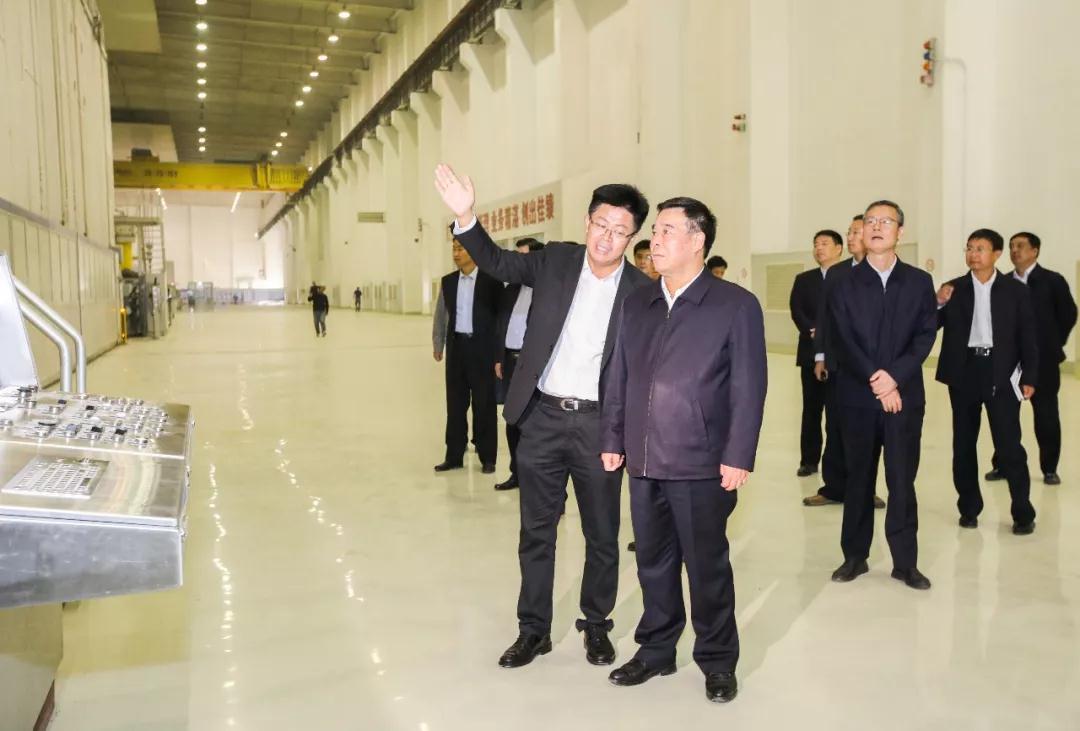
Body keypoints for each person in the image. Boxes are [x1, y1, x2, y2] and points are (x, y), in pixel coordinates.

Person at [434, 163, 651, 670]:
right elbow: (496, 262)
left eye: (620, 231)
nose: (607, 237)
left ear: (632, 237)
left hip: (600, 427)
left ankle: (595, 624)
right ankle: (533, 630)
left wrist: (625, 434)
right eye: (601, 224)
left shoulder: (640, 292)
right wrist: (466, 217)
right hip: (543, 418)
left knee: (602, 535)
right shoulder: (555, 261)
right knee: (536, 532)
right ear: (587, 222)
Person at [601, 197, 766, 704]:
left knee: (706, 566)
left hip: (701, 461)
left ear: (698, 241)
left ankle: (717, 659)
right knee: (652, 562)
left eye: (667, 231)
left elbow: (748, 386)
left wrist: (738, 454)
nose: (655, 240)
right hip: (644, 459)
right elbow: (619, 375)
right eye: (654, 231)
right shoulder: (638, 304)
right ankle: (656, 650)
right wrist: (612, 437)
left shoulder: (734, 305)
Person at [826, 200, 936, 591]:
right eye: (869, 221)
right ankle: (855, 556)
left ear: (899, 232)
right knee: (858, 478)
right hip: (857, 397)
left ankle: (906, 563)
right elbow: (842, 337)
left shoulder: (919, 281)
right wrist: (878, 380)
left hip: (904, 398)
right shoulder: (842, 280)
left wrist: (894, 378)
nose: (875, 227)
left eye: (885, 221)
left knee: (902, 480)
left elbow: (925, 335)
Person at [935, 229, 1039, 534]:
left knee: (1009, 445)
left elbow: (1028, 337)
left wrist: (1030, 376)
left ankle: (1022, 511)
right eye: (969, 248)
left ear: (996, 254)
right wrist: (938, 302)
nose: (973, 254)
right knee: (963, 444)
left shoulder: (1015, 290)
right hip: (964, 371)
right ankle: (968, 508)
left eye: (980, 249)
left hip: (1001, 371)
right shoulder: (953, 288)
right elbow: (929, 324)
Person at [806, 215, 885, 510]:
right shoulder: (837, 273)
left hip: (872, 369)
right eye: (849, 232)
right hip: (839, 367)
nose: (851, 237)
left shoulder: (883, 273)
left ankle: (864, 490)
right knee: (836, 427)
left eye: (855, 232)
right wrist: (820, 356)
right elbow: (824, 317)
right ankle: (833, 487)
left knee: (869, 433)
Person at [985, 232, 1077, 485]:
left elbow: (1069, 314)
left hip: (1044, 362)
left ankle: (1049, 468)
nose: (1015, 251)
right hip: (1008, 362)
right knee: (1004, 416)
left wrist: (1052, 343)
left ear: (1035, 251)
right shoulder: (1001, 282)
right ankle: (1003, 464)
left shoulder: (1052, 281)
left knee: (1046, 415)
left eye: (1021, 246)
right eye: (1012, 246)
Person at [432, 239, 502, 474]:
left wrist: (499, 354)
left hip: (483, 350)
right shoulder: (449, 282)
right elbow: (441, 314)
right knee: (455, 405)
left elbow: (500, 319)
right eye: (454, 248)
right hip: (457, 349)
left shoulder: (491, 281)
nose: (456, 253)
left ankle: (488, 457)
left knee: (484, 404)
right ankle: (454, 455)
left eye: (460, 248)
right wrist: (438, 343)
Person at [789, 230, 845, 478]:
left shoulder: (849, 276)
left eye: (824, 243)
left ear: (839, 248)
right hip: (810, 352)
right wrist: (812, 330)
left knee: (837, 412)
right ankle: (809, 460)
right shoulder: (804, 279)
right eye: (815, 244)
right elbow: (796, 309)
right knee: (811, 409)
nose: (818, 248)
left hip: (840, 357)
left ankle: (836, 462)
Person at [494, 238, 545, 491]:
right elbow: (501, 324)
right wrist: (498, 357)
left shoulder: (547, 291)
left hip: (533, 366)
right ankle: (516, 473)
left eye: (524, 257)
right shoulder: (511, 289)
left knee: (533, 424)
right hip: (510, 361)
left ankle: (536, 476)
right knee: (511, 420)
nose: (519, 263)